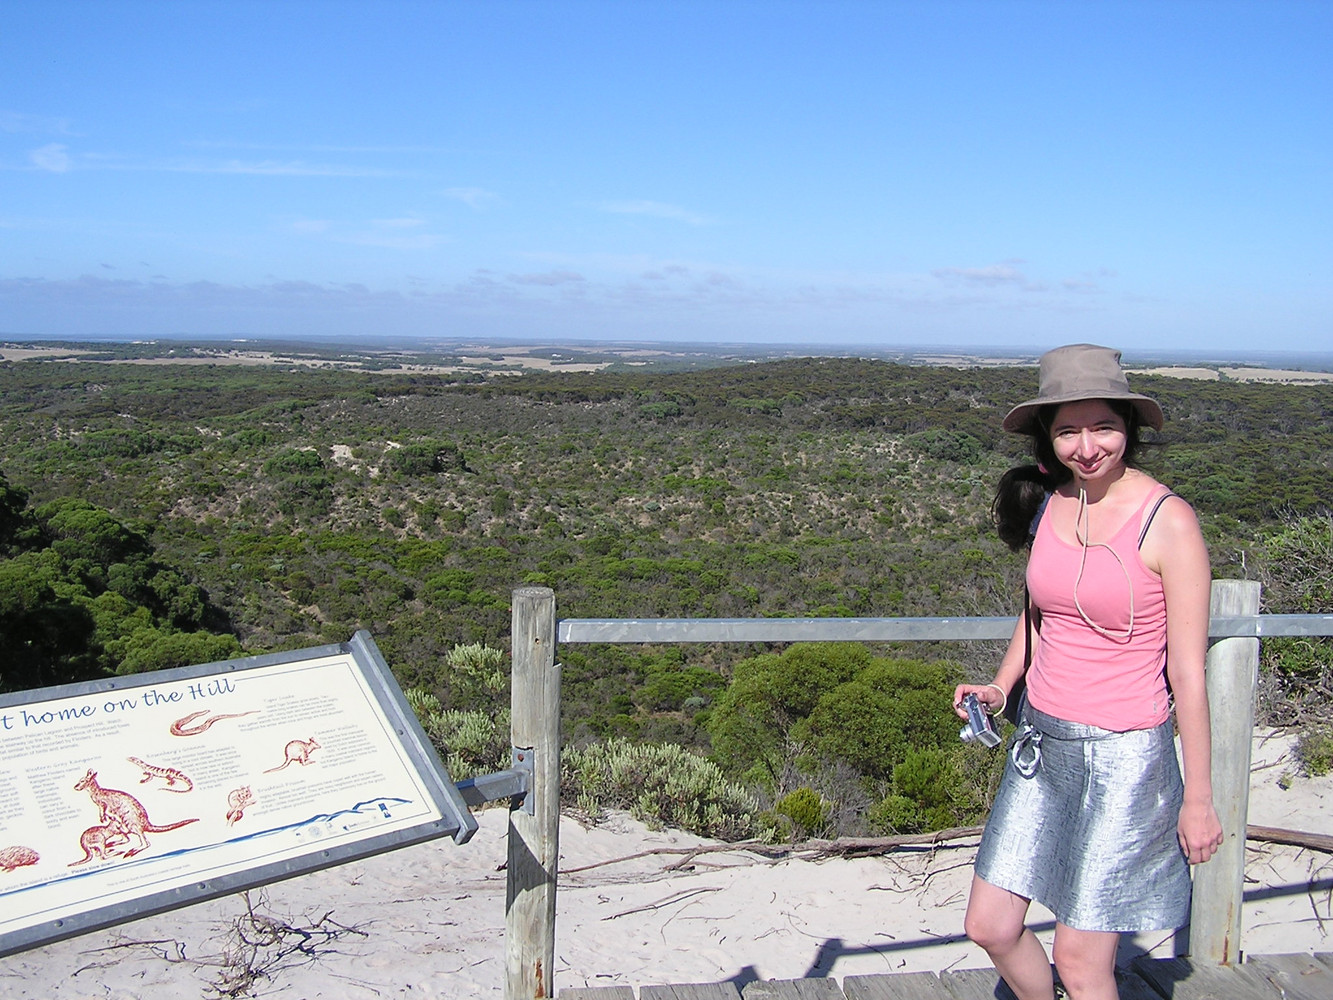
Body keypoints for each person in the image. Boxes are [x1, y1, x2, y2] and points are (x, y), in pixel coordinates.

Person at [953, 344, 1223, 1000]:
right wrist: (1000, 686)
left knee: (1079, 961)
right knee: (989, 926)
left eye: (1102, 426)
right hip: (1040, 746)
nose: (1087, 446)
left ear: (1128, 426)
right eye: (1068, 430)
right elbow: (1037, 615)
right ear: (1048, 438)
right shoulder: (1051, 503)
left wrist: (1197, 799)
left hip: (1124, 758)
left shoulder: (1168, 522)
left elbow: (1188, 674)